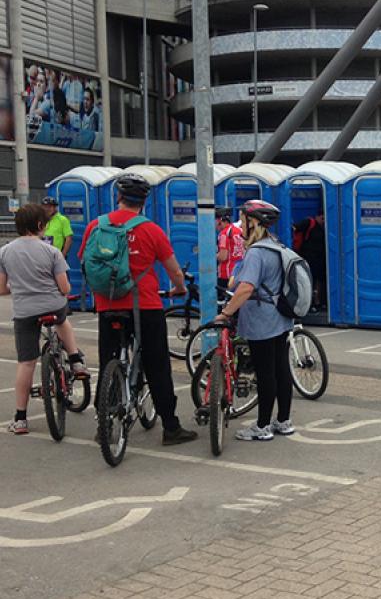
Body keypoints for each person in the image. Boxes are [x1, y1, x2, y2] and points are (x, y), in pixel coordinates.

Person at [79, 174, 197, 445]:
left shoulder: (96, 226)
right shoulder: (151, 230)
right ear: (144, 202)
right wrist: (179, 288)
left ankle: (103, 425)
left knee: (109, 360)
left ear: (118, 198)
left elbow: (83, 260)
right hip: (144, 305)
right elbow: (174, 270)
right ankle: (171, 427)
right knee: (157, 365)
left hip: (107, 306)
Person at [0, 204, 89, 435]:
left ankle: (20, 418)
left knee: (26, 363)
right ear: (40, 225)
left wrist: (19, 287)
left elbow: (2, 289)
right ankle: (75, 358)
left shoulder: (5, 252)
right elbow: (64, 287)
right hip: (52, 305)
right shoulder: (51, 252)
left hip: (24, 312)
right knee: (62, 320)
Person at [215, 200, 295, 441]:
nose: (241, 225)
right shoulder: (277, 246)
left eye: (244, 220)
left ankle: (261, 426)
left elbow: (245, 288)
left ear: (254, 223)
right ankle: (283, 421)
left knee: (265, 372)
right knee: (281, 369)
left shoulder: (257, 252)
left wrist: (226, 313)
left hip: (262, 319)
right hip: (281, 316)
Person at [293, 212, 326, 311]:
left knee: (318, 280)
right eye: (322, 218)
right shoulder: (309, 222)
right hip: (308, 258)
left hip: (319, 259)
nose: (324, 221)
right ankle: (309, 303)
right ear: (317, 217)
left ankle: (317, 301)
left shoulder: (323, 228)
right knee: (309, 281)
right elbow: (294, 228)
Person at [216, 207, 244, 291]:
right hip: (240, 273)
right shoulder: (239, 230)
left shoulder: (224, 234)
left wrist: (213, 256)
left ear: (220, 220)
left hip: (226, 275)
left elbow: (223, 257)